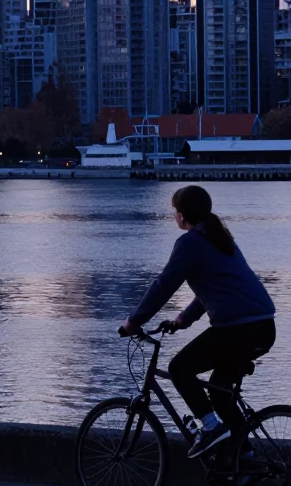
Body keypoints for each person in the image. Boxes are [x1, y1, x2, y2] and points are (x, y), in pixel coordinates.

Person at [118, 185, 276, 458]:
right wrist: (181, 320)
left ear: (181, 214)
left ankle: (211, 428)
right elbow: (213, 291)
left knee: (179, 368)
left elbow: (163, 286)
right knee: (219, 393)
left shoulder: (190, 242)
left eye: (173, 211)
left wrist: (134, 322)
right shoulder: (219, 238)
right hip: (262, 327)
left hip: (239, 329)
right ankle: (244, 461)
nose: (173, 216)